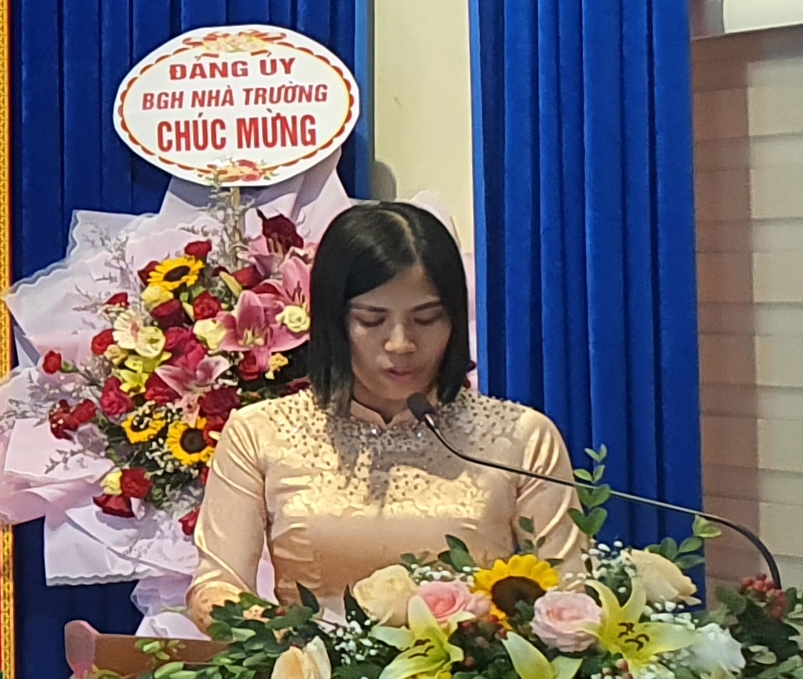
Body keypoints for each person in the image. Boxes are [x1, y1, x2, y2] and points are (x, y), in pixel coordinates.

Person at [187, 198, 586, 614]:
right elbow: (218, 585)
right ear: (333, 321)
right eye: (371, 320)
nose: (401, 344)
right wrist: (276, 636)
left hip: (475, 655)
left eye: (426, 319)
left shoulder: (521, 437)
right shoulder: (260, 432)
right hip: (304, 654)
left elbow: (571, 598)